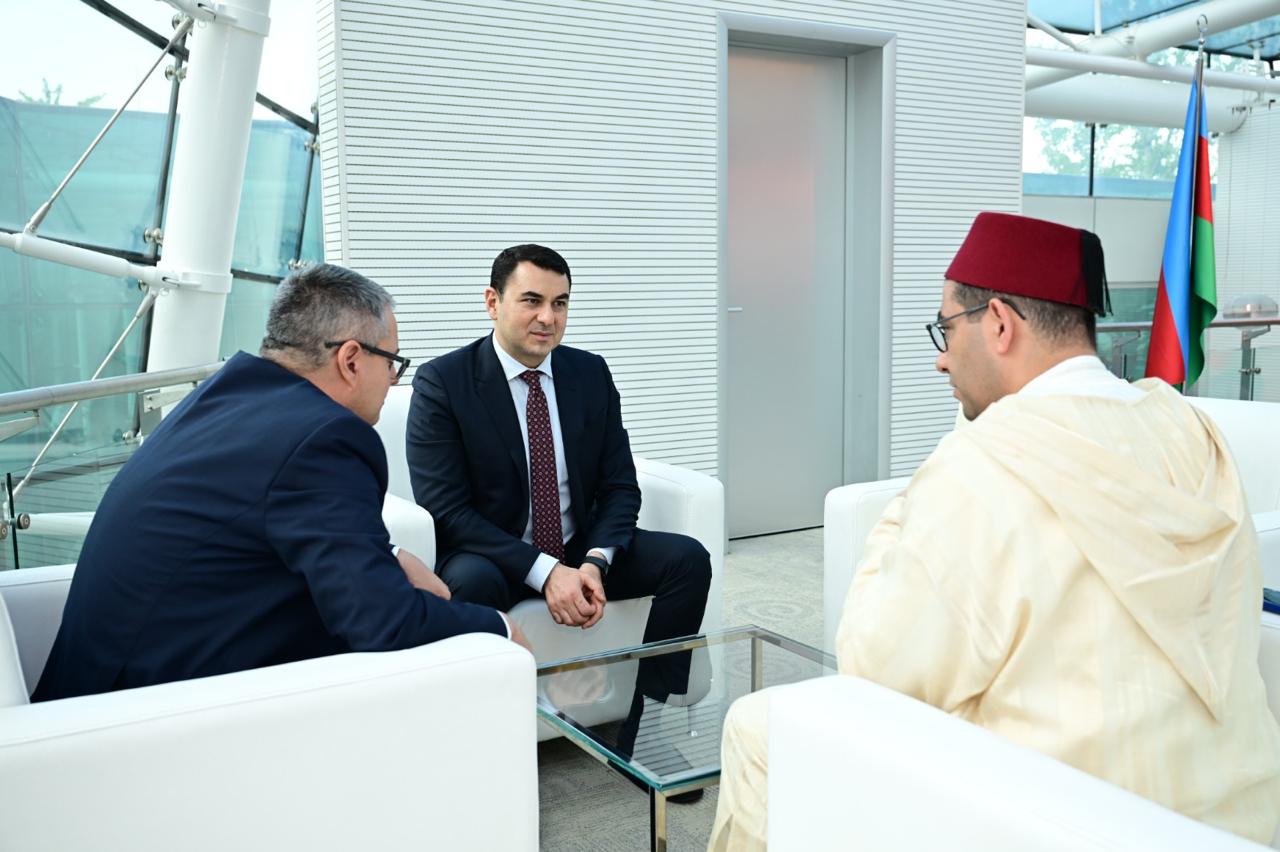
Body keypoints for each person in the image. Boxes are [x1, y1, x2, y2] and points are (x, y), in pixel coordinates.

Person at [708, 212, 1280, 849]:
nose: (941, 359)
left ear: (1000, 324)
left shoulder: (985, 466)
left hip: (1060, 820)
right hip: (1241, 814)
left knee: (756, 729)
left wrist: (910, 505)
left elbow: (876, 664)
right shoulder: (1187, 428)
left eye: (946, 329)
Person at [34, 263, 528, 702]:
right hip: (150, 715)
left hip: (93, 689)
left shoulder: (225, 397)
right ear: (351, 360)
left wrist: (392, 556)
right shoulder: (325, 438)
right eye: (392, 363)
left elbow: (260, 521)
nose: (393, 381)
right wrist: (499, 628)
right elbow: (382, 622)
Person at [406, 244, 712, 776]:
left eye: (560, 303)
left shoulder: (589, 373)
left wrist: (594, 562)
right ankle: (486, 750)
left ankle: (644, 733)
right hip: (495, 553)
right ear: (492, 302)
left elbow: (620, 486)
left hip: (578, 545)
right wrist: (546, 573)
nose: (548, 317)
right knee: (467, 585)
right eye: (531, 300)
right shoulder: (444, 383)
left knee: (687, 560)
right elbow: (447, 510)